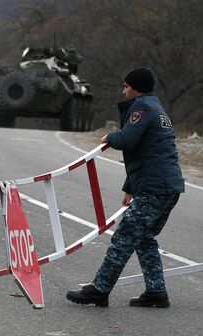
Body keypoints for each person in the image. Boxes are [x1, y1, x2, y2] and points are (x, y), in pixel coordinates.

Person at [66, 67, 184, 308]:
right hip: (167, 187)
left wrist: (110, 136)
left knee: (124, 237)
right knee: (144, 238)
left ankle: (99, 290)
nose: (123, 91)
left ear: (137, 88)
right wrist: (129, 187)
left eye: (127, 87)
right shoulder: (158, 109)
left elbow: (127, 140)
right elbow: (145, 153)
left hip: (154, 188)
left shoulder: (142, 108)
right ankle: (156, 291)